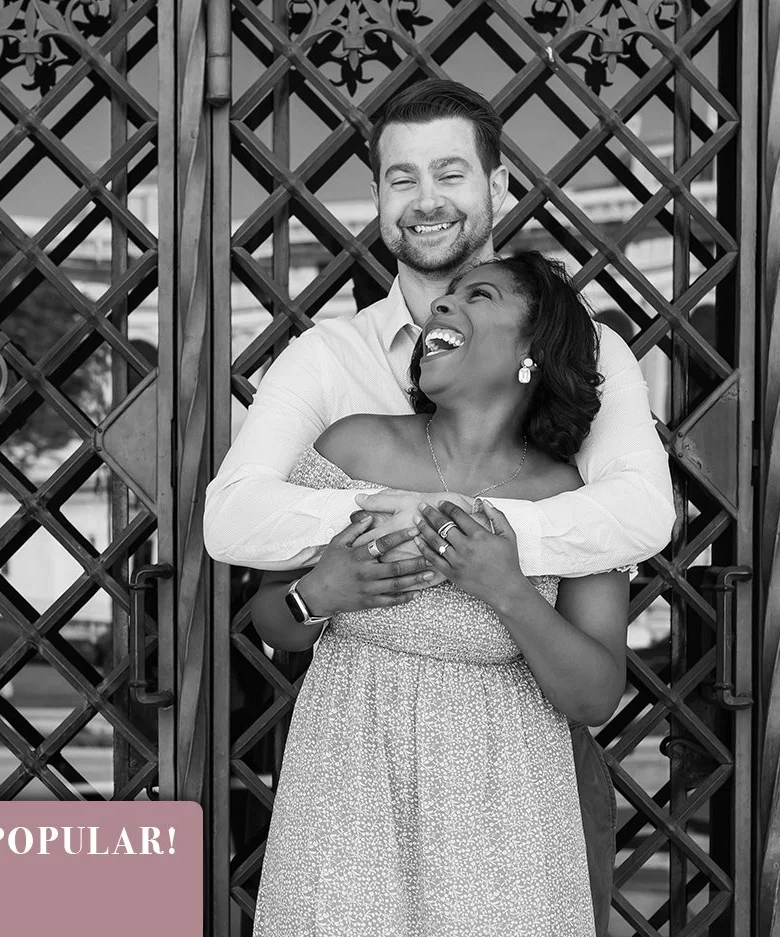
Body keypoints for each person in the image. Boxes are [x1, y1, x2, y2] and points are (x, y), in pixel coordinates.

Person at [205, 80, 673, 931]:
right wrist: (328, 581)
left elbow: (639, 516)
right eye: (401, 178)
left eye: (450, 173)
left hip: (520, 774)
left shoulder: (591, 359)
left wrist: (497, 563)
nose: (425, 199)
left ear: (497, 186)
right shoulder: (333, 376)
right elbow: (244, 540)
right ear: (378, 196)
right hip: (349, 770)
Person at [249, 251, 629, 935]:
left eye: (480, 295)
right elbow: (271, 618)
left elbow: (597, 697)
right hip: (347, 782)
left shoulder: (573, 499)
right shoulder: (351, 447)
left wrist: (507, 590)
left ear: (534, 350)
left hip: (504, 807)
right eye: (445, 296)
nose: (442, 306)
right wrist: (317, 594)